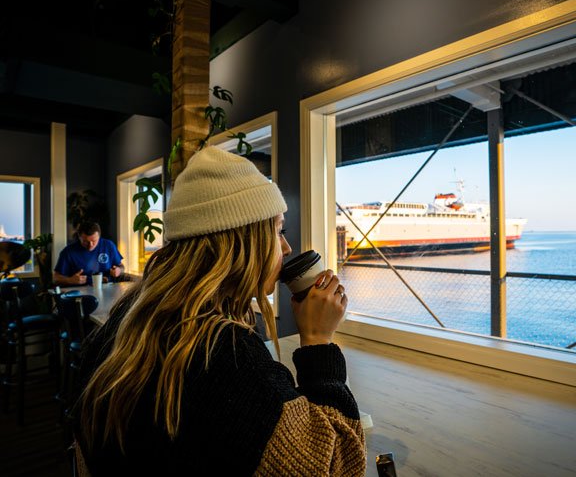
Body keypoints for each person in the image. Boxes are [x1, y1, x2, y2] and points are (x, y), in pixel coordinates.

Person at [74, 146, 365, 476]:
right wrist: (318, 342)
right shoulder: (227, 357)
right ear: (243, 239)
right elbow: (336, 465)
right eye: (278, 230)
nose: (286, 248)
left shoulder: (130, 318)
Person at [53, 222, 124, 286]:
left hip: (108, 289)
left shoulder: (109, 245)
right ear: (79, 237)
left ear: (99, 237)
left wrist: (119, 270)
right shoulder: (68, 252)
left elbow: (121, 267)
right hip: (81, 292)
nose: (90, 245)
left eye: (94, 241)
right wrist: (70, 280)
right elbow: (56, 278)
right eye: (85, 241)